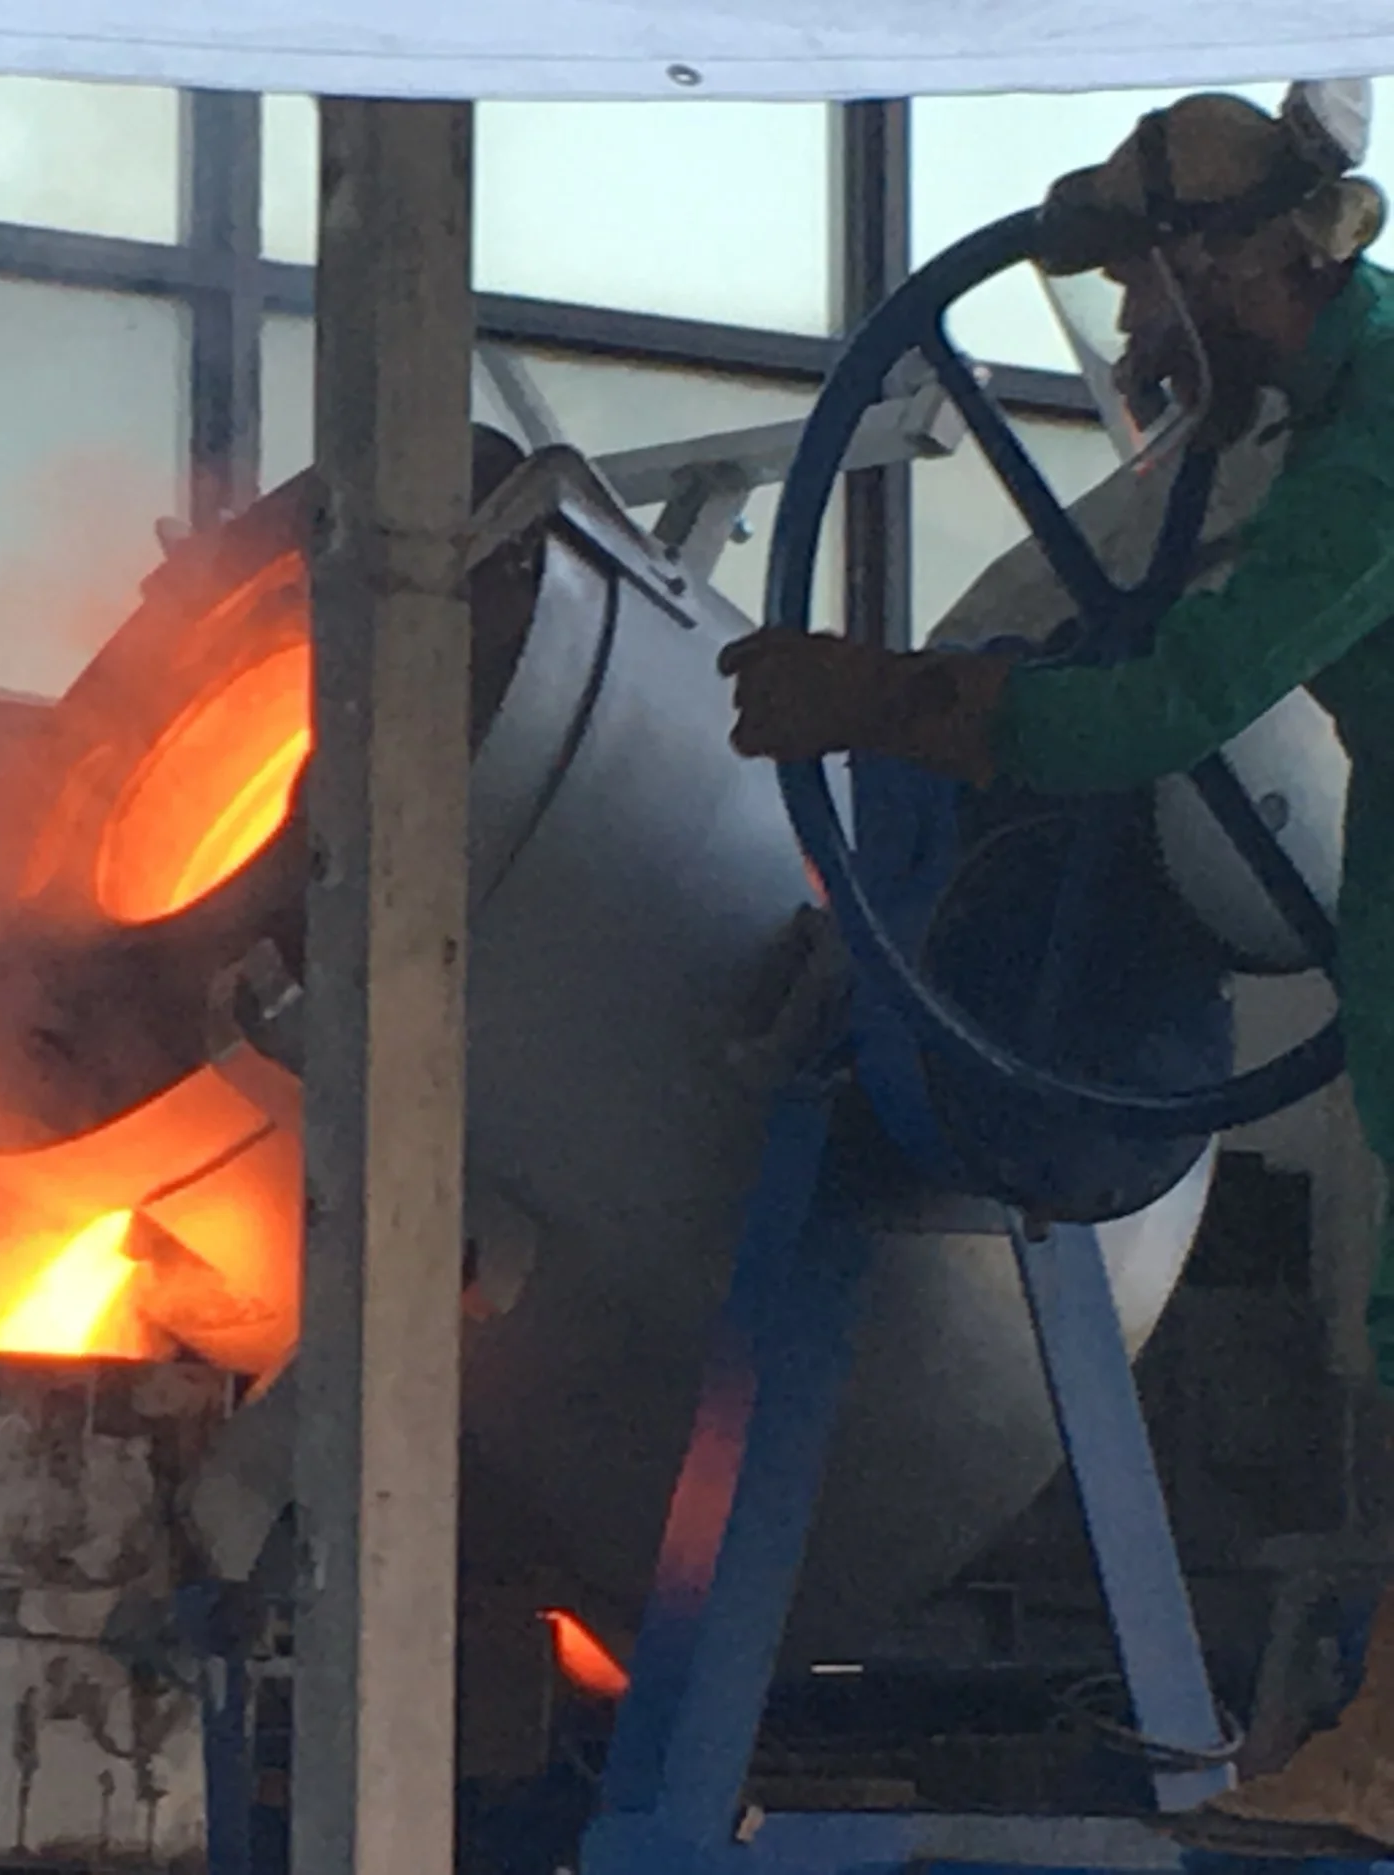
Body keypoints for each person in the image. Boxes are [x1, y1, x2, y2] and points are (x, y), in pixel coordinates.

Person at [722, 90, 1394, 1848]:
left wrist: (890, 704)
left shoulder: (1373, 445)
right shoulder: (1326, 409)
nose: (1123, 338)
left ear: (1227, 267)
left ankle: (1391, 1751)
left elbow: (1174, 703)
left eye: (1140, 297)